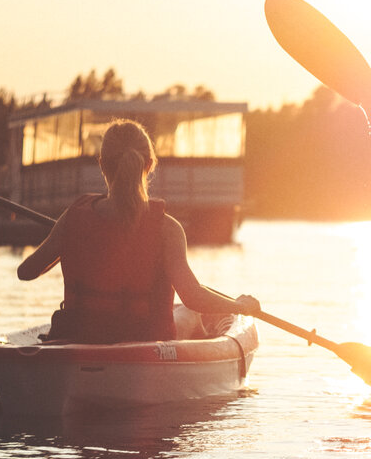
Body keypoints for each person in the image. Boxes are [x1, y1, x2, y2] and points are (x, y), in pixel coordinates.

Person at [17, 119, 260, 343]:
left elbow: (25, 272)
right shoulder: (168, 228)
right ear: (150, 164)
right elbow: (192, 297)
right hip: (145, 339)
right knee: (191, 313)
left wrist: (66, 240)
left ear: (102, 165)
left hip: (79, 335)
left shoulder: (72, 217)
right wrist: (239, 306)